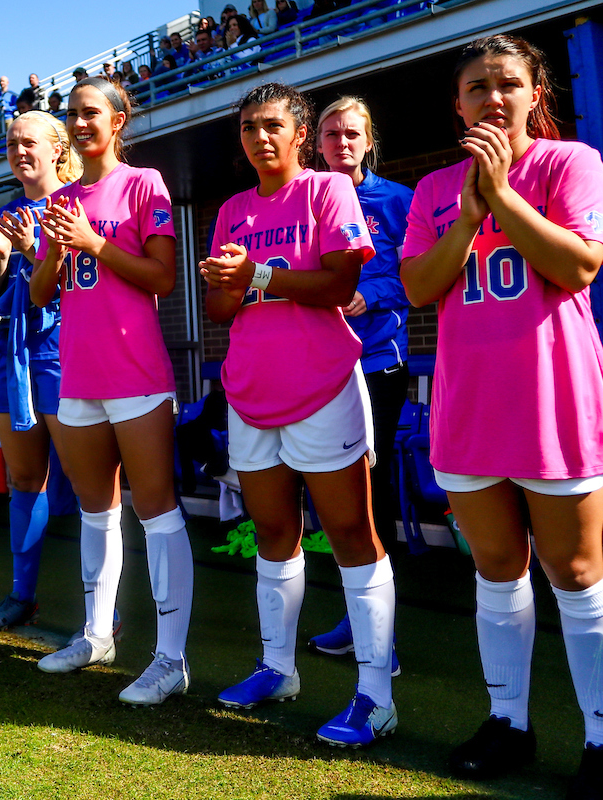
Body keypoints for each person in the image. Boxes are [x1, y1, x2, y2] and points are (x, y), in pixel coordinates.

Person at [399, 34, 603, 798]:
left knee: (575, 570)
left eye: (507, 83)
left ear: (536, 93)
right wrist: (467, 217)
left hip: (554, 399)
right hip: (469, 406)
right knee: (496, 570)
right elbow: (417, 288)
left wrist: (501, 197)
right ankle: (509, 723)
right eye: (476, 87)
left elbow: (577, 266)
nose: (492, 98)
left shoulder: (570, 164)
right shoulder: (435, 189)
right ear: (457, 103)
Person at [200, 83, 395, 748]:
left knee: (349, 532)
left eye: (273, 125)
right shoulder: (230, 210)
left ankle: (375, 694)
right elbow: (224, 313)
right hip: (251, 390)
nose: (260, 137)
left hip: (323, 384)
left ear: (301, 133)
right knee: (273, 532)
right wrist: (226, 285)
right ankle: (276, 669)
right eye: (249, 127)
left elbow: (341, 285)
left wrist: (255, 276)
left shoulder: (327, 192)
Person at [30, 78, 193, 706]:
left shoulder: (144, 183)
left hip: (135, 370)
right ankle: (97, 634)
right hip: (80, 372)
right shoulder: (62, 197)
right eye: (71, 114)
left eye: (90, 112)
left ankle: (171, 659)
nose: (78, 123)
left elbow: (163, 276)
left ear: (119, 120)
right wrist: (52, 247)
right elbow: (44, 292)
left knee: (156, 509)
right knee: (97, 510)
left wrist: (96, 242)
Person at [307, 96, 413, 662]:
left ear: (370, 140)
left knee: (370, 498)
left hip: (376, 364)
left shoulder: (397, 201)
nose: (341, 143)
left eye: (352, 133)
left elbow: (421, 277)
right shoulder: (303, 198)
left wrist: (367, 295)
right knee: (335, 500)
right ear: (315, 142)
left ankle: (383, 637)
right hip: (315, 366)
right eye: (331, 134)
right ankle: (357, 618)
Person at [0, 111, 83, 631]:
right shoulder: (9, 209)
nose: (19, 150)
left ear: (58, 148)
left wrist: (31, 248)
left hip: (66, 352)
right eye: (12, 142)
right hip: (15, 356)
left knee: (89, 485)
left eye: (29, 141)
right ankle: (21, 595)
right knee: (23, 478)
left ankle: (100, 610)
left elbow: (73, 283)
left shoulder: (80, 200)